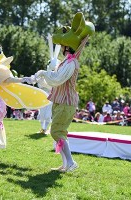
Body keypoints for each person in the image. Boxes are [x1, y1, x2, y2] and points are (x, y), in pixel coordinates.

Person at [32, 12, 95, 172]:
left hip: (66, 102)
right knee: (59, 133)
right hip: (61, 100)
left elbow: (57, 79)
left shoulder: (71, 63)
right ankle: (66, 164)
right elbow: (54, 82)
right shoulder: (66, 62)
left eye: (64, 46)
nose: (62, 48)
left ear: (68, 47)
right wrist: (41, 77)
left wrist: (44, 73)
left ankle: (71, 162)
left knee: (56, 132)